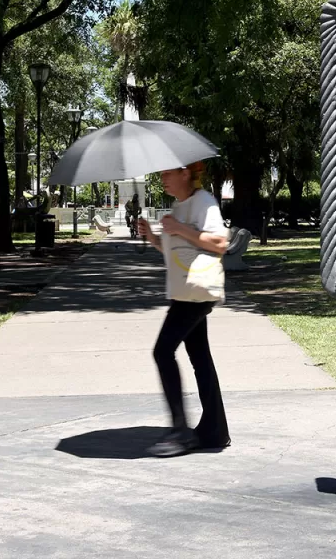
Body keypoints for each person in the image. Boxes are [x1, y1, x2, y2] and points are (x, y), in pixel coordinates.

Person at [137, 162, 231, 457]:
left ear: (185, 173)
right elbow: (177, 251)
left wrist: (179, 228)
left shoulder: (203, 202)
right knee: (199, 356)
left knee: (162, 351)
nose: (162, 178)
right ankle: (215, 430)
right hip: (186, 291)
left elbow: (219, 242)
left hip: (195, 293)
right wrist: (153, 237)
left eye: (166, 173)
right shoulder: (179, 207)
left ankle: (181, 431)